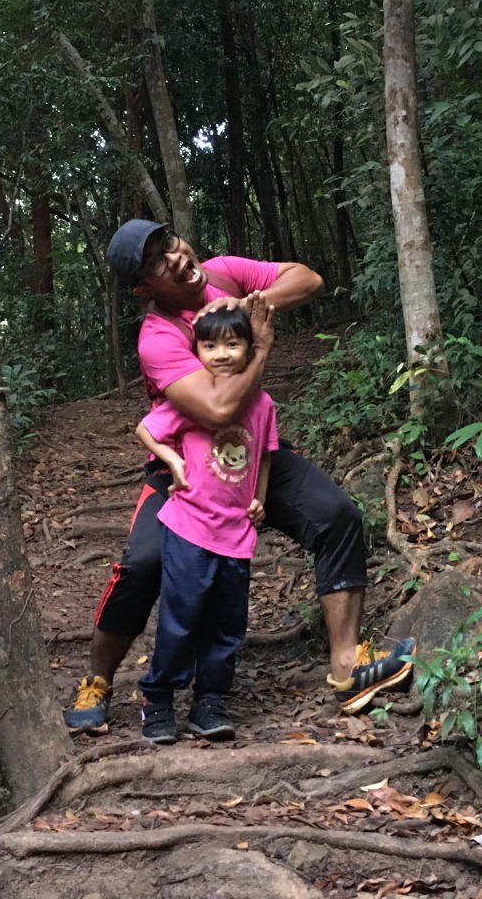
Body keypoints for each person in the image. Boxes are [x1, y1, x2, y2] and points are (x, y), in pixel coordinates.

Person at [63, 219, 414, 735]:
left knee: (337, 516)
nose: (177, 257)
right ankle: (97, 679)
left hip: (254, 458)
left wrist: (248, 306)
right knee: (142, 564)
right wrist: (262, 345)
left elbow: (309, 279)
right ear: (145, 289)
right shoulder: (157, 337)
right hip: (182, 468)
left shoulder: (223, 273)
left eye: (170, 243)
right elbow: (219, 407)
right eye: (159, 262)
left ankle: (347, 666)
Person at [134, 307, 277, 744]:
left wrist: (260, 499)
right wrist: (173, 459)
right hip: (189, 525)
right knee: (182, 614)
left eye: (232, 344)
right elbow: (147, 429)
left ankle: (210, 700)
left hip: (236, 531)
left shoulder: (262, 403)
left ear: (251, 350)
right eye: (209, 346)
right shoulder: (195, 397)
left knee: (227, 621)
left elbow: (266, 454)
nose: (220, 354)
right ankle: (157, 698)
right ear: (196, 351)